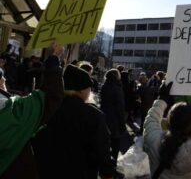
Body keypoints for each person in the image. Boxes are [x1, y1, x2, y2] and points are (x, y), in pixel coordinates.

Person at [33, 64, 116, 179]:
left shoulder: (47, 107)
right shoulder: (93, 115)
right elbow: (103, 150)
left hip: (46, 171)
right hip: (81, 172)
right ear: (82, 90)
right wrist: (107, 173)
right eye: (89, 88)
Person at [0, 42, 64, 179]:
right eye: (1, 77)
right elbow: (49, 98)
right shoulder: (14, 112)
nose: (5, 79)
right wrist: (54, 59)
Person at [100, 69, 126, 171]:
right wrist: (122, 124)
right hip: (114, 120)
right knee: (115, 146)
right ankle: (112, 168)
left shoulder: (104, 86)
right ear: (116, 76)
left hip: (104, 117)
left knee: (106, 144)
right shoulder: (117, 88)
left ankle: (105, 166)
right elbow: (120, 107)